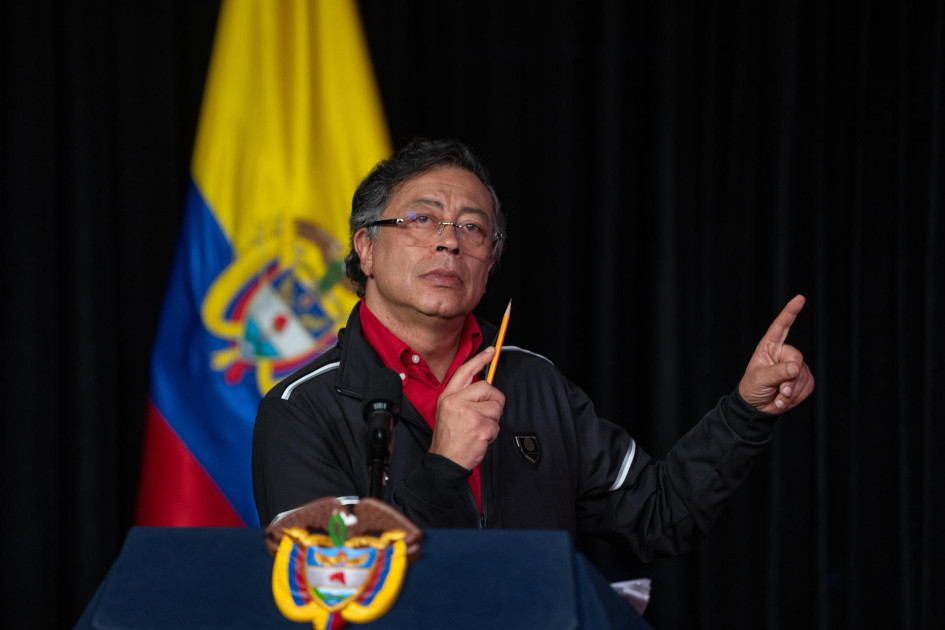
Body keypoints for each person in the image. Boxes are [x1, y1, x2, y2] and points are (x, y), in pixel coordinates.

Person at [251, 137, 814, 561]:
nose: (449, 239)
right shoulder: (300, 409)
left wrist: (747, 412)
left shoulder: (532, 382)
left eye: (472, 228)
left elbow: (659, 515)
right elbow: (329, 583)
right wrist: (442, 468)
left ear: (488, 263)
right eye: (422, 219)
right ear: (365, 249)